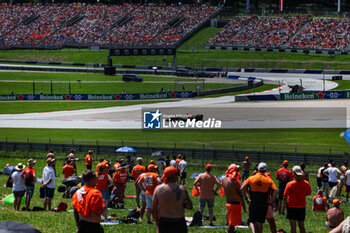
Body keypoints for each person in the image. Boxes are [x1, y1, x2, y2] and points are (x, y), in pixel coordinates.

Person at [152, 166, 193, 233]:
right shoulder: (181, 189)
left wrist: (157, 221)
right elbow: (190, 206)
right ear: (174, 176)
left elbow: (154, 208)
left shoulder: (158, 189)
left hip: (164, 221)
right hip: (178, 221)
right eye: (177, 174)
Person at [242, 162, 278, 233]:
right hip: (264, 203)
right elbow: (276, 191)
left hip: (254, 203)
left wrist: (246, 198)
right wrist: (271, 200)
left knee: (251, 220)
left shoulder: (251, 178)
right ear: (265, 170)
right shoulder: (268, 179)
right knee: (260, 221)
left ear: (257, 169)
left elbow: (242, 187)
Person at [283, 165, 312, 233]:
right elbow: (308, 193)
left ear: (294, 174)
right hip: (302, 207)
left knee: (293, 226)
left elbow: (285, 196)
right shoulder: (306, 183)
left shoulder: (290, 184)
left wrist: (284, 206)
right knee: (301, 226)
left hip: (291, 207)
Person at [222, 164, 242, 233]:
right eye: (236, 170)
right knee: (232, 224)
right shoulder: (234, 182)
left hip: (228, 203)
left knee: (231, 222)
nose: (237, 172)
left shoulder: (224, 180)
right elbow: (240, 191)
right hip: (235, 204)